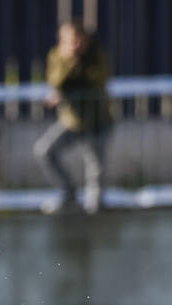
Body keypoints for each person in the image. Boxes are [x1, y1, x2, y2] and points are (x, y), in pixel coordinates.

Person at [34, 18, 112, 214]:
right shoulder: (58, 55)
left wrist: (78, 64)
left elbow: (96, 81)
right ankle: (68, 194)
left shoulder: (96, 56)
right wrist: (70, 60)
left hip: (97, 120)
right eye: (70, 41)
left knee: (95, 170)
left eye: (78, 41)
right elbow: (56, 82)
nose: (75, 45)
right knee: (45, 151)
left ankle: (95, 210)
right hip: (72, 121)